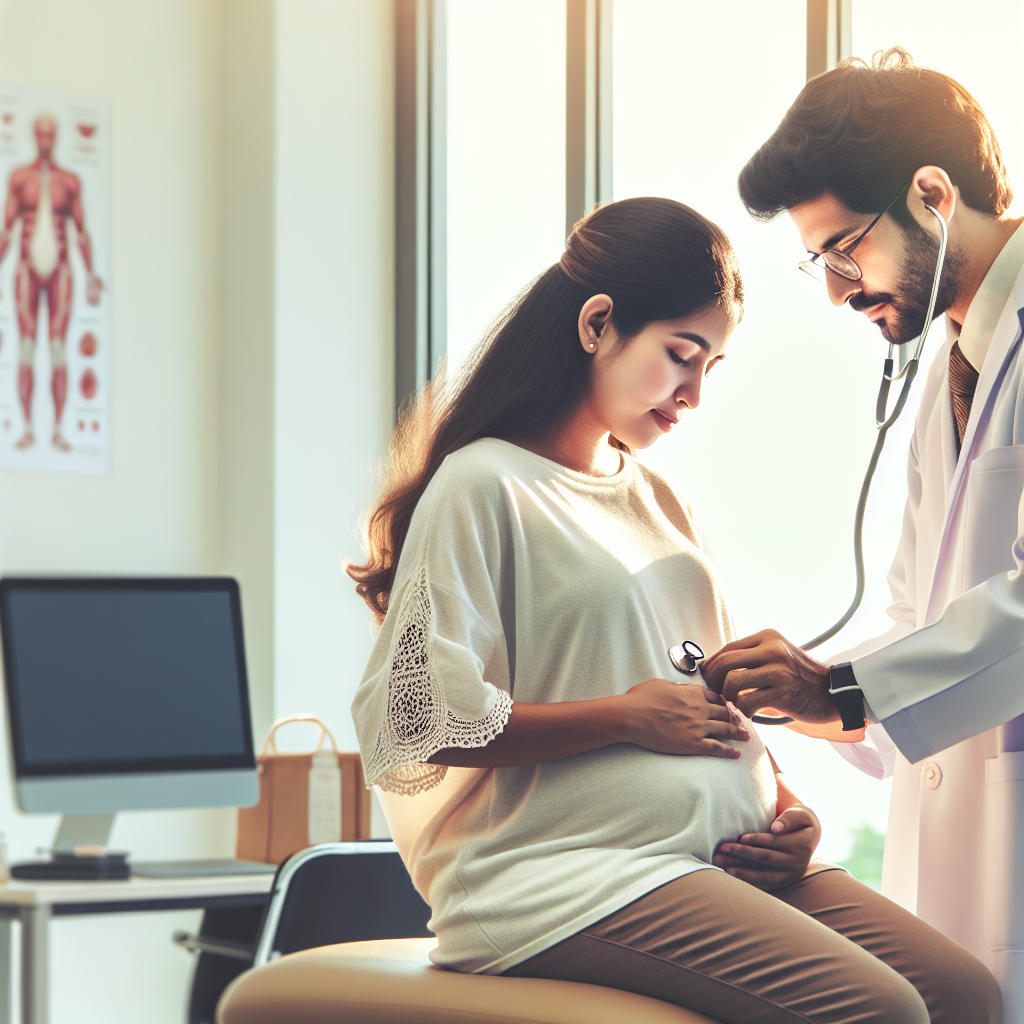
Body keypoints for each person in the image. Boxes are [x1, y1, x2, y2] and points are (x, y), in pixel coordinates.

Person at [348, 197, 998, 1024]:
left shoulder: (655, 498)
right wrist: (622, 718)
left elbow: (704, 704)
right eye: (680, 356)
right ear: (596, 324)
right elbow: (418, 721)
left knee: (965, 995)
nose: (692, 394)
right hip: (571, 874)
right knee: (883, 1013)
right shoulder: (485, 485)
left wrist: (787, 806)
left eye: (711, 369)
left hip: (713, 856)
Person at [701, 47, 1024, 1018]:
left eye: (845, 250)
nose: (838, 290)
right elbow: (911, 612)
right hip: (960, 820)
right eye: (822, 263)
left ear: (932, 193)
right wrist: (799, 693)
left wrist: (841, 690)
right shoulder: (950, 365)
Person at [0, 114, 104, 451]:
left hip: (60, 270)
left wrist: (89, 273)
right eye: (40, 135)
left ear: (56, 137)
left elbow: (81, 231)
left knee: (58, 348)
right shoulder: (19, 177)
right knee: (27, 347)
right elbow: (7, 230)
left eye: (50, 135)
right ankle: (28, 428)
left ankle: (58, 429)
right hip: (26, 269)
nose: (45, 140)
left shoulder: (69, 181)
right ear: (34, 136)